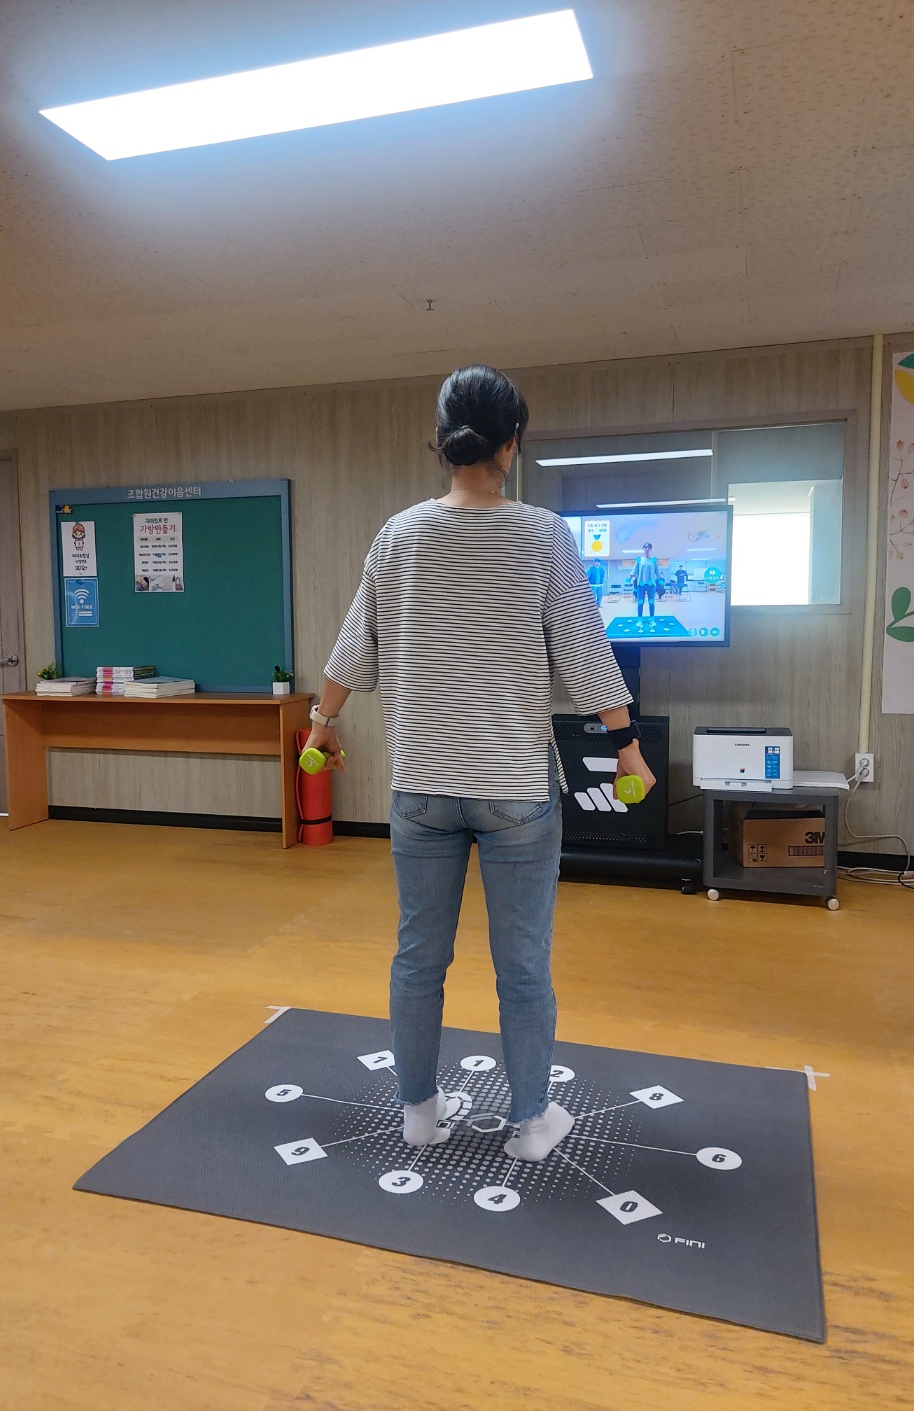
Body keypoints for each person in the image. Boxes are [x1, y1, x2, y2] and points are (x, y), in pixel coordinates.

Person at [306, 365, 656, 1163]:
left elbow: (353, 648)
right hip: (514, 792)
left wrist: (322, 727)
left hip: (421, 786)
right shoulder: (541, 534)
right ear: (512, 443)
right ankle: (532, 1125)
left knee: (417, 958)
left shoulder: (398, 535)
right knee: (522, 965)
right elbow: (585, 650)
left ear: (442, 440)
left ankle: (418, 1114)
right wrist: (626, 745)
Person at [633, 542, 659, 616]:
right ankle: (640, 619)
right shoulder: (639, 560)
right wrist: (631, 576)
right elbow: (634, 571)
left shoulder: (654, 561)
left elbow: (657, 571)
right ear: (643, 549)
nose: (647, 549)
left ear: (651, 550)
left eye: (649, 548)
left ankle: (651, 619)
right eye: (645, 548)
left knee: (651, 603)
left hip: (651, 585)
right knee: (640, 602)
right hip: (641, 585)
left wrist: (660, 578)